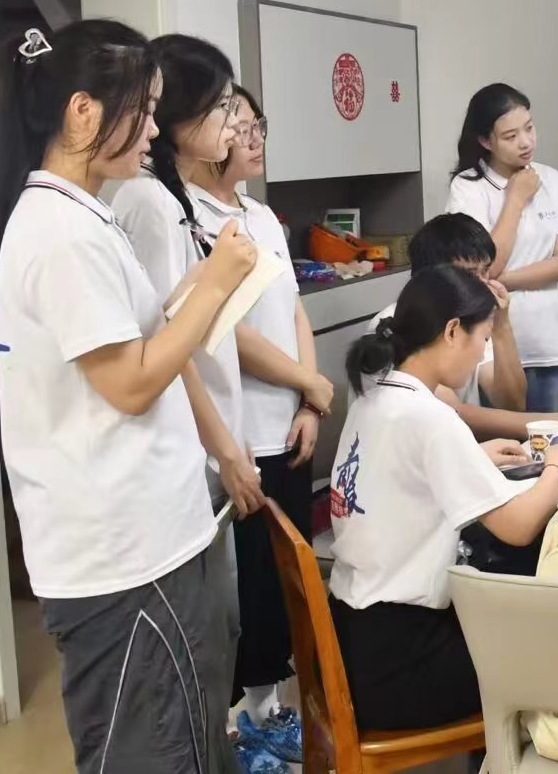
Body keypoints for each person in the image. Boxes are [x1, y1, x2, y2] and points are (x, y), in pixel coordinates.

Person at [0, 21, 256, 774]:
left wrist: (197, 291)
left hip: (151, 540)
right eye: (143, 111)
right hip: (123, 558)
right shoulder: (60, 233)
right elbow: (132, 383)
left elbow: (137, 344)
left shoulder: (84, 216)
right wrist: (216, 286)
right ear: (83, 113)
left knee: (192, 740)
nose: (153, 131)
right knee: (158, 750)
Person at [329, 264, 558, 731]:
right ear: (452, 331)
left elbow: (399, 474)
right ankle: (513, 755)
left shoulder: (375, 399)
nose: (481, 353)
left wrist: (473, 457)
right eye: (483, 338)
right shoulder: (429, 418)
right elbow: (517, 527)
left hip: (353, 638)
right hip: (401, 664)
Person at [112, 33, 269, 769]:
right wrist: (226, 449)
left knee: (223, 629)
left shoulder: (177, 199)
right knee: (206, 637)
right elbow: (164, 348)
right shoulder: (147, 201)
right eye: (219, 107)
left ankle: (224, 747)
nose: (233, 122)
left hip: (213, 440)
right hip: (198, 450)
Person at [188, 84, 326, 762]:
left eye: (255, 123)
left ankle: (270, 711)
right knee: (245, 591)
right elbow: (225, 331)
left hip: (287, 426)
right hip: (239, 437)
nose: (252, 136)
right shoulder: (192, 217)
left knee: (284, 586)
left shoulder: (262, 215)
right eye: (236, 123)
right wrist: (309, 381)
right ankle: (241, 726)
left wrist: (309, 403)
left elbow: (293, 309)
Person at [369, 213, 558, 438]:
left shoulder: (470, 320)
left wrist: (501, 325)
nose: (483, 284)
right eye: (470, 275)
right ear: (432, 276)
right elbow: (451, 412)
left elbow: (512, 403)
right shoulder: (397, 322)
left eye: (486, 271)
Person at [445, 83, 558, 413]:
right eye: (511, 136)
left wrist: (498, 281)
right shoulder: (468, 188)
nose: (526, 142)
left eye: (529, 128)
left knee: (548, 439)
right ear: (485, 141)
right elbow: (485, 265)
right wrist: (515, 199)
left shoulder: (552, 180)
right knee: (501, 438)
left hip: (546, 345)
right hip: (489, 350)